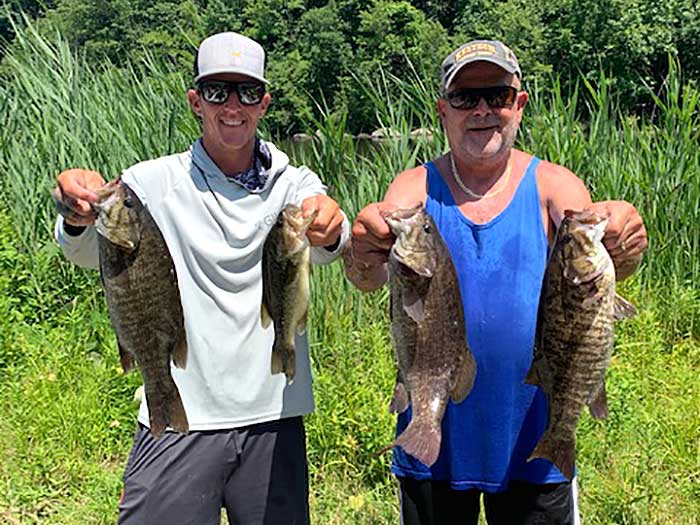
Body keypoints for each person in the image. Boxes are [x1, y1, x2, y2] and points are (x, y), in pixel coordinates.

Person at [345, 40, 648, 525]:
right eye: (466, 98)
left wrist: (625, 238)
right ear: (443, 110)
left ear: (519, 105)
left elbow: (599, 276)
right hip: (437, 433)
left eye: (498, 96)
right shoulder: (414, 191)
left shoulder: (555, 186)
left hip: (532, 435)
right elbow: (369, 279)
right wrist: (359, 252)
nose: (483, 110)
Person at [52, 32, 349, 525]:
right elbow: (84, 249)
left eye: (248, 92)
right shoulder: (145, 184)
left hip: (272, 415)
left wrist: (329, 225)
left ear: (265, 103)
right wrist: (78, 211)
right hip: (180, 414)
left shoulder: (294, 184)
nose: (233, 105)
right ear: (195, 101)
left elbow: (330, 239)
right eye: (217, 92)